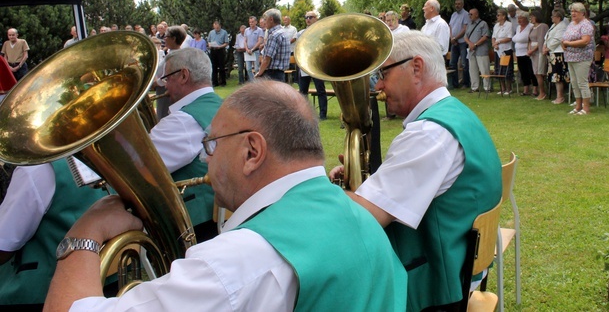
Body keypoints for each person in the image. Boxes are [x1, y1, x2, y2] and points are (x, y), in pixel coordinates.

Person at [44, 81, 407, 312]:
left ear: (252, 151)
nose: (205, 157)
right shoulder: (357, 214)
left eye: (212, 144)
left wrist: (86, 233)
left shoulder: (236, 262)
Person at [330, 31, 502, 311]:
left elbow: (366, 217)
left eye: (384, 73)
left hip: (435, 287)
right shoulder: (454, 112)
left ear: (417, 67)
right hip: (462, 268)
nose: (380, 84)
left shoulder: (429, 133)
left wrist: (312, 182)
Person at [0, 159, 107, 308]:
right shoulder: (109, 158)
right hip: (109, 282)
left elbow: (4, 244)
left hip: (41, 295)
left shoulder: (37, 169)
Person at [150, 47, 223, 241]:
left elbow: (142, 167)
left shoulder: (182, 121)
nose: (165, 87)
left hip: (196, 223)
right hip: (224, 215)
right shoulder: (224, 105)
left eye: (167, 79)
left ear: (183, 75)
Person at [562, 2, 595, 115]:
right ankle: (578, 106)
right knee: (574, 83)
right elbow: (566, 37)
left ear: (582, 13)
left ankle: (586, 108)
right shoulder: (571, 24)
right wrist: (563, 43)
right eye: (572, 11)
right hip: (570, 57)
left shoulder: (586, 24)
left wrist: (568, 44)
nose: (573, 13)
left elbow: (585, 41)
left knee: (582, 82)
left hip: (582, 57)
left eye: (576, 11)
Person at [297, 10, 328, 120]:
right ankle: (303, 114)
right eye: (306, 17)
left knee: (321, 90)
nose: (308, 19)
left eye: (311, 17)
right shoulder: (300, 33)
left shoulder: (322, 32)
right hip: (305, 66)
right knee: (302, 92)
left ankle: (323, 114)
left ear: (316, 18)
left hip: (317, 66)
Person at [256, 8, 291, 82]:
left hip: (272, 75)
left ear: (271, 19)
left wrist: (259, 73)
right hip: (280, 74)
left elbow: (267, 59)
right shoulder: (283, 32)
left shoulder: (274, 35)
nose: (264, 22)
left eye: (265, 19)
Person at [543, 9, 568, 104]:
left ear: (558, 17)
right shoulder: (553, 26)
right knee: (554, 75)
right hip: (552, 52)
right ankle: (558, 96)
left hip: (558, 53)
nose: (551, 17)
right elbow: (547, 37)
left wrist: (547, 48)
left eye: (553, 16)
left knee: (557, 75)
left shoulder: (562, 26)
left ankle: (560, 96)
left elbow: (558, 39)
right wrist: (544, 46)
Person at [466, 8, 491, 93]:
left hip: (481, 50)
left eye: (471, 14)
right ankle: (474, 87)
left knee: (484, 69)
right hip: (471, 51)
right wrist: (470, 44)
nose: (470, 16)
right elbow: (465, 37)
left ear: (476, 14)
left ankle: (487, 87)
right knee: (472, 69)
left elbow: (485, 36)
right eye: (469, 14)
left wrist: (475, 44)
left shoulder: (483, 24)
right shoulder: (469, 24)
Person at [448, 0, 471, 89]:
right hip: (454, 43)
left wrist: (455, 38)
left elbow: (465, 29)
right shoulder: (453, 14)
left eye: (459, 4)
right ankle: (454, 84)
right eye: (456, 4)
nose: (457, 5)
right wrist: (451, 38)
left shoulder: (466, 14)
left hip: (462, 42)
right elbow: (450, 27)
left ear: (462, 5)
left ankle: (466, 83)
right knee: (452, 63)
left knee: (464, 63)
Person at [512, 11, 536, 96]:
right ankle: (526, 88)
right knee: (523, 71)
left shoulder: (531, 27)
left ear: (526, 19)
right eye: (518, 18)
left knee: (531, 71)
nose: (519, 20)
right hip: (519, 53)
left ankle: (535, 88)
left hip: (528, 52)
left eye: (521, 18)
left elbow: (531, 39)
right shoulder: (518, 28)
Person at [492, 9, 514, 95]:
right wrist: (494, 43)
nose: (497, 17)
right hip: (497, 50)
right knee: (499, 69)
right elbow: (493, 37)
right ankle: (502, 88)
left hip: (505, 49)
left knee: (506, 69)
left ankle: (509, 88)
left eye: (498, 15)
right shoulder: (496, 25)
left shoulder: (509, 25)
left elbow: (509, 37)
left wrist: (499, 42)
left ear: (503, 16)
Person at [528, 10, 549, 100]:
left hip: (539, 52)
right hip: (532, 53)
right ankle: (541, 92)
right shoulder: (532, 28)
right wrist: (529, 49)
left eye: (532, 16)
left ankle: (542, 92)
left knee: (539, 72)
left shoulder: (542, 26)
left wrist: (533, 50)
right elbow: (529, 40)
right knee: (535, 72)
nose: (531, 18)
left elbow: (541, 41)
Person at [207, 21, 230, 87]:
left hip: (220, 50)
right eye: (215, 28)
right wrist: (209, 45)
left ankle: (223, 82)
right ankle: (214, 82)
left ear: (220, 26)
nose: (216, 29)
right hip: (213, 50)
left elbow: (226, 43)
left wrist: (220, 46)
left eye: (217, 27)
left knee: (221, 67)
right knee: (213, 67)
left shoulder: (224, 32)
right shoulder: (211, 32)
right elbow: (208, 41)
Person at [244, 16, 264, 82]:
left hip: (255, 51)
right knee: (248, 69)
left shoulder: (259, 30)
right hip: (248, 51)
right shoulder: (246, 30)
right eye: (250, 22)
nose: (251, 23)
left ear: (256, 22)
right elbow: (245, 41)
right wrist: (247, 49)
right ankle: (253, 81)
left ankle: (257, 82)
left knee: (256, 68)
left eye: (252, 22)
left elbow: (260, 41)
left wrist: (252, 49)